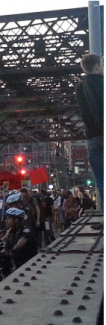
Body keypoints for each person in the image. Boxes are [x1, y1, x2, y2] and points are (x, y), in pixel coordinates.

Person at [75, 53, 104, 209]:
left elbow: (86, 115)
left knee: (101, 179)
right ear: (98, 66)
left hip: (93, 138)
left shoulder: (80, 87)